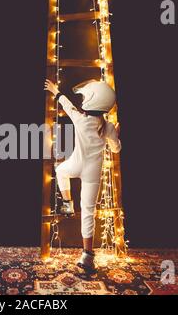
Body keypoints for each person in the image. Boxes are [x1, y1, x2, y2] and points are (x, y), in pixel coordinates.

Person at [44, 78, 121, 271]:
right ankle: (87, 255)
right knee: (88, 213)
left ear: (92, 101)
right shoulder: (109, 127)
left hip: (76, 165)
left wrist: (55, 91)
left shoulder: (81, 120)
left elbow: (67, 105)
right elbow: (116, 149)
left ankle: (67, 204)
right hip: (93, 174)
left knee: (60, 171)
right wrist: (116, 135)